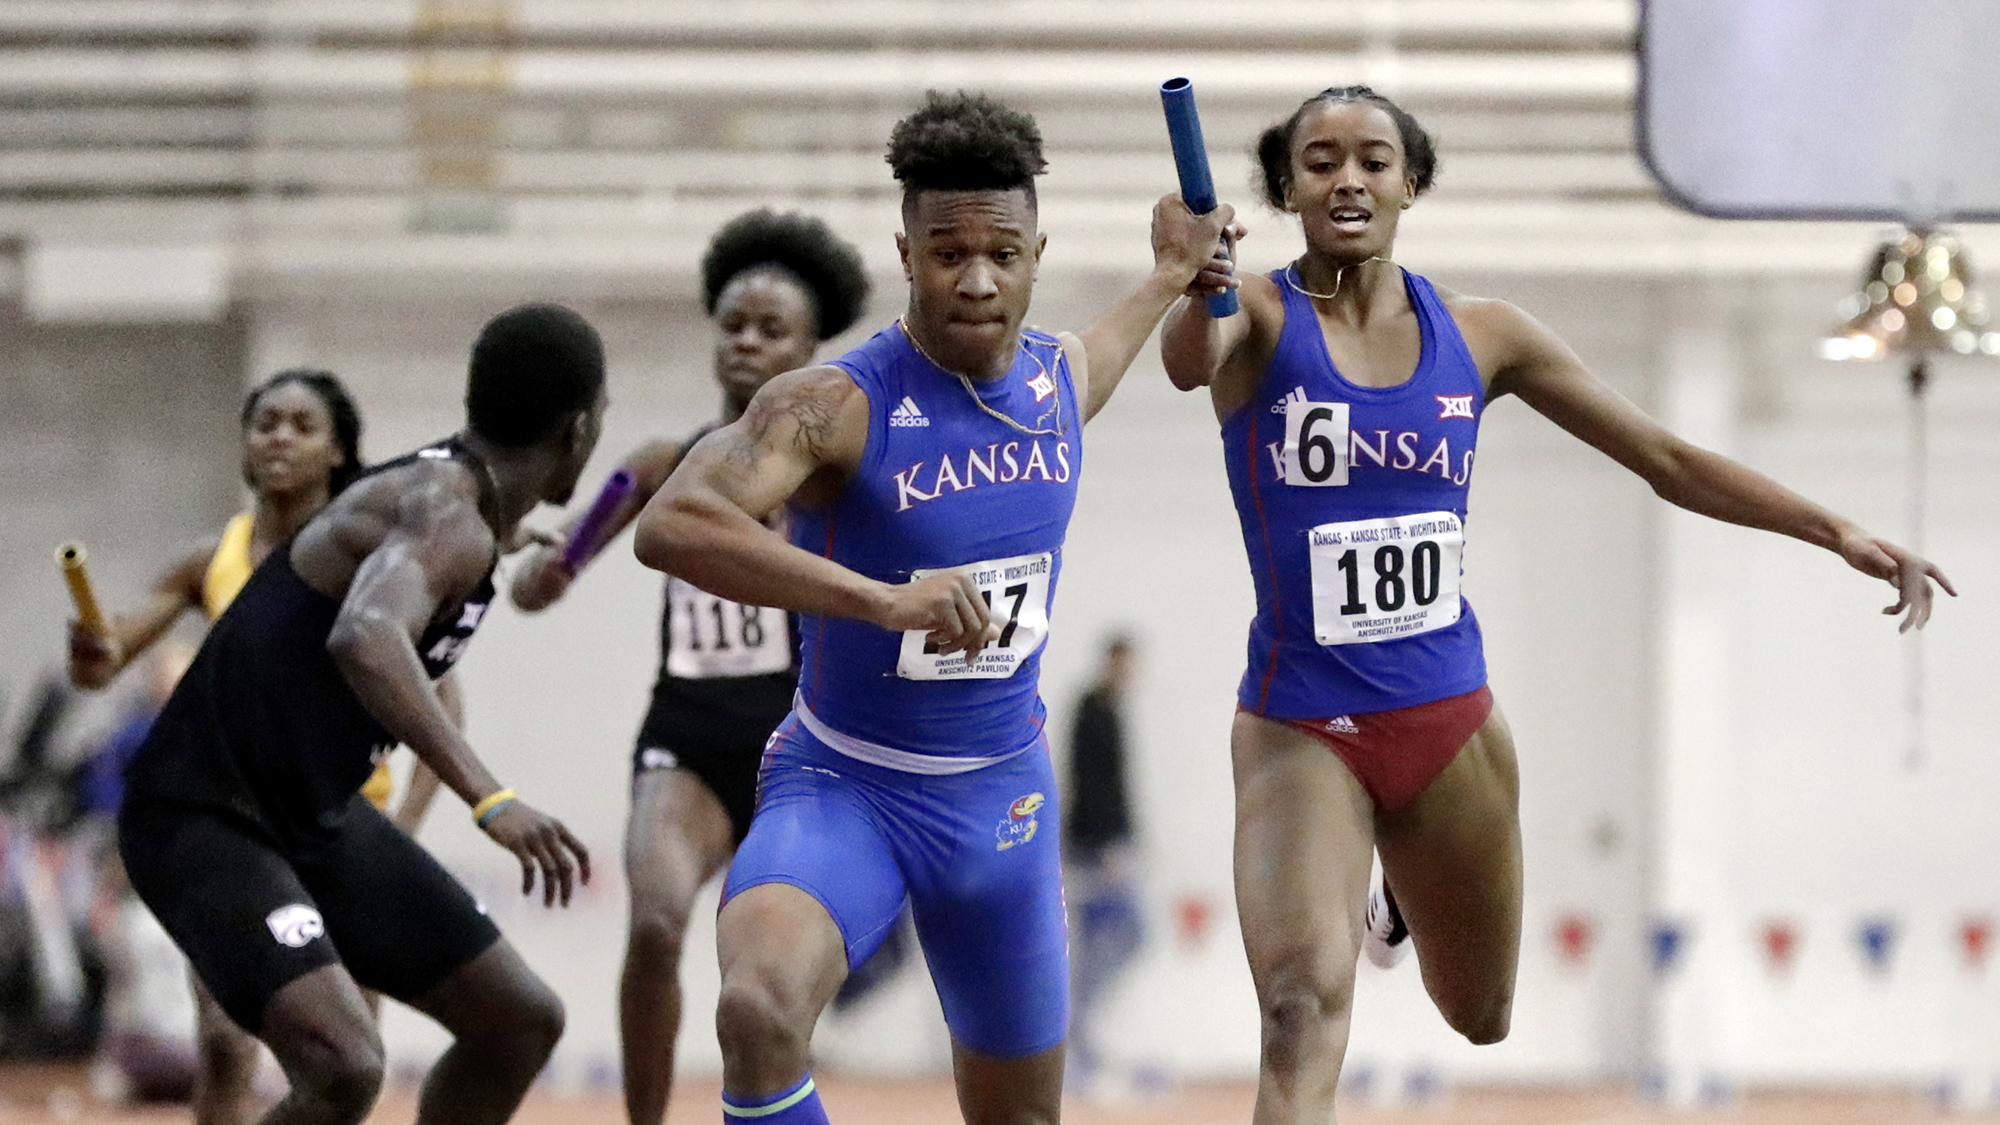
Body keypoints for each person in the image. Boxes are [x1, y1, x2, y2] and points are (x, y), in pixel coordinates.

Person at [1157, 85, 1956, 1123]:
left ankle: (1390, 892)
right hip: (1300, 719)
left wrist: (1831, 529)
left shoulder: (1485, 335)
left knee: (1479, 1013)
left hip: (1445, 716)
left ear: (1411, 184)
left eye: (1371, 160)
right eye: (1317, 162)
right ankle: (1348, 867)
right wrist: (1189, 280)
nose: (1345, 179)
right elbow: (1188, 363)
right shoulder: (1255, 317)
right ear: (1285, 188)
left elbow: (1665, 458)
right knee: (1299, 1009)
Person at [630, 90, 1232, 1125]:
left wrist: (1175, 273)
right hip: (841, 789)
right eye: (946, 252)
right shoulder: (831, 406)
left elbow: (1109, 352)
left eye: (1001, 252)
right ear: (903, 254)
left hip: (999, 806)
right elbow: (670, 525)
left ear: (1036, 251)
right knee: (756, 1009)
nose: (977, 279)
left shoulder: (1056, 382)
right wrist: (876, 600)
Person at [115, 303, 606, 1125]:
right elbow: (368, 634)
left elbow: (386, 556)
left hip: (313, 812)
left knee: (519, 1020)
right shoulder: (446, 512)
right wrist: (493, 798)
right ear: (580, 431)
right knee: (344, 1065)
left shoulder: (454, 506)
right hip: (202, 812)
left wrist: (505, 539)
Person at [508, 209, 880, 1125]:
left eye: (772, 330)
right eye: (734, 325)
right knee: (656, 922)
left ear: (810, 346)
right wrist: (540, 571)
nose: (748, 343)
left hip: (799, 742)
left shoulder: (833, 477)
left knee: (765, 971)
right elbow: (549, 578)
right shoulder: (660, 465)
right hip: (685, 734)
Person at [65, 368, 442, 1125]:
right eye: (264, 422)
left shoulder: (369, 558)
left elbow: (441, 702)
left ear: (338, 452)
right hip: (235, 826)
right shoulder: (214, 557)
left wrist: (403, 828)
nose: (277, 437)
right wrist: (86, 643)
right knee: (224, 1039)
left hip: (343, 828)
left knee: (347, 1055)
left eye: (301, 425)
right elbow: (104, 666)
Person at [1062, 634, 1145, 1089]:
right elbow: (1090, 782)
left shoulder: (1112, 709)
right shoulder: (1092, 709)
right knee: (1125, 931)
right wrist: (1111, 844)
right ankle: (1075, 1030)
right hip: (1095, 845)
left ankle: (1080, 1032)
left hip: (1106, 842)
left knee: (1101, 941)